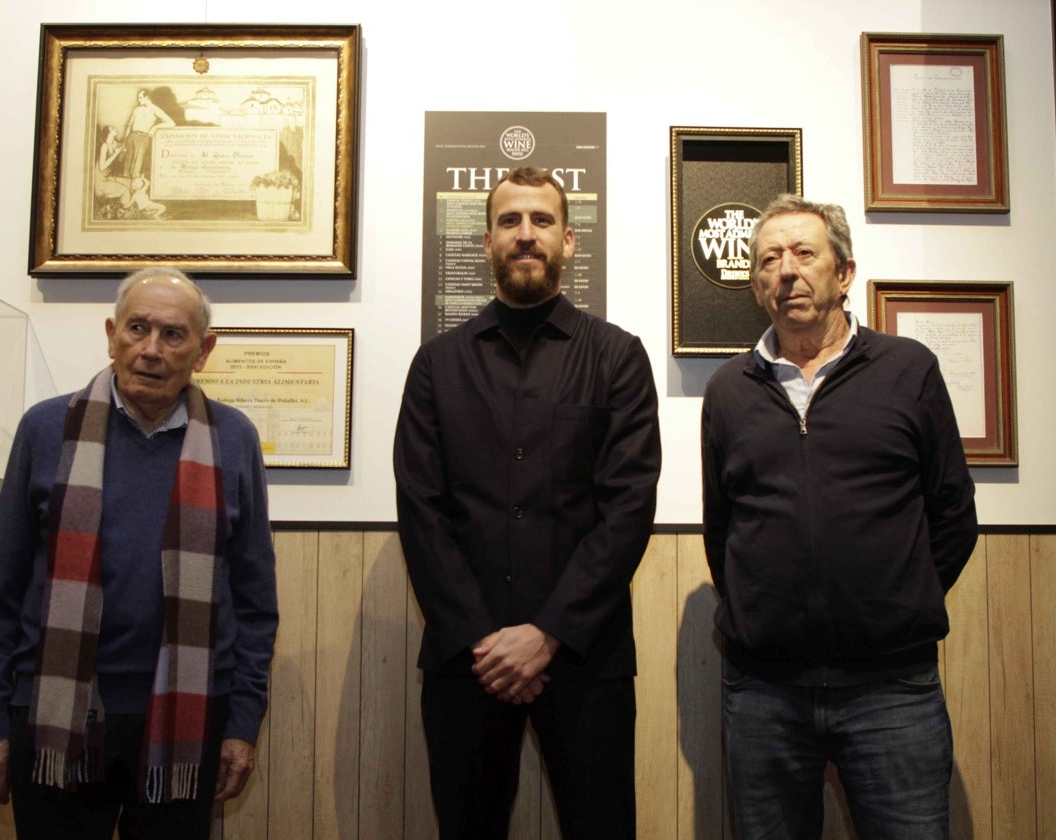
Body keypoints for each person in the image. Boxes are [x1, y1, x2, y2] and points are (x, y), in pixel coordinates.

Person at [394, 166, 661, 839]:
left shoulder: (617, 358)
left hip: (583, 656)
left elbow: (628, 507)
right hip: (466, 658)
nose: (525, 235)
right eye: (510, 221)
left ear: (569, 240)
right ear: (486, 242)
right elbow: (422, 510)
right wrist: (486, 640)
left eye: (541, 221)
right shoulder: (436, 364)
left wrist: (547, 634)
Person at [0, 267, 278, 840]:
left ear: (203, 351)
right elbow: (1, 590)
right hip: (53, 715)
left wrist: (242, 723)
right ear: (112, 334)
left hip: (187, 720)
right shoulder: (45, 430)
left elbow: (255, 602)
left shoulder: (233, 439)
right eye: (138, 328)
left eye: (174, 334)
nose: (151, 350)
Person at [701, 194, 978, 839]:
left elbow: (953, 513)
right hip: (764, 691)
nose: (786, 271)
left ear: (844, 272)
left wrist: (895, 603)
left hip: (893, 688)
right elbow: (724, 532)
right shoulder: (729, 391)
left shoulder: (908, 370)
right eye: (769, 259)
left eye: (804, 253)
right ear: (756, 285)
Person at [123, 89, 175, 181]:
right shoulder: (137, 109)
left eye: (140, 97)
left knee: (136, 168)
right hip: (131, 136)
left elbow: (171, 123)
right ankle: (125, 185)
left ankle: (134, 187)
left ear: (147, 98)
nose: (138, 100)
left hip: (143, 138)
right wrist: (125, 141)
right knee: (126, 165)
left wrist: (154, 128)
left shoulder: (155, 109)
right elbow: (129, 125)